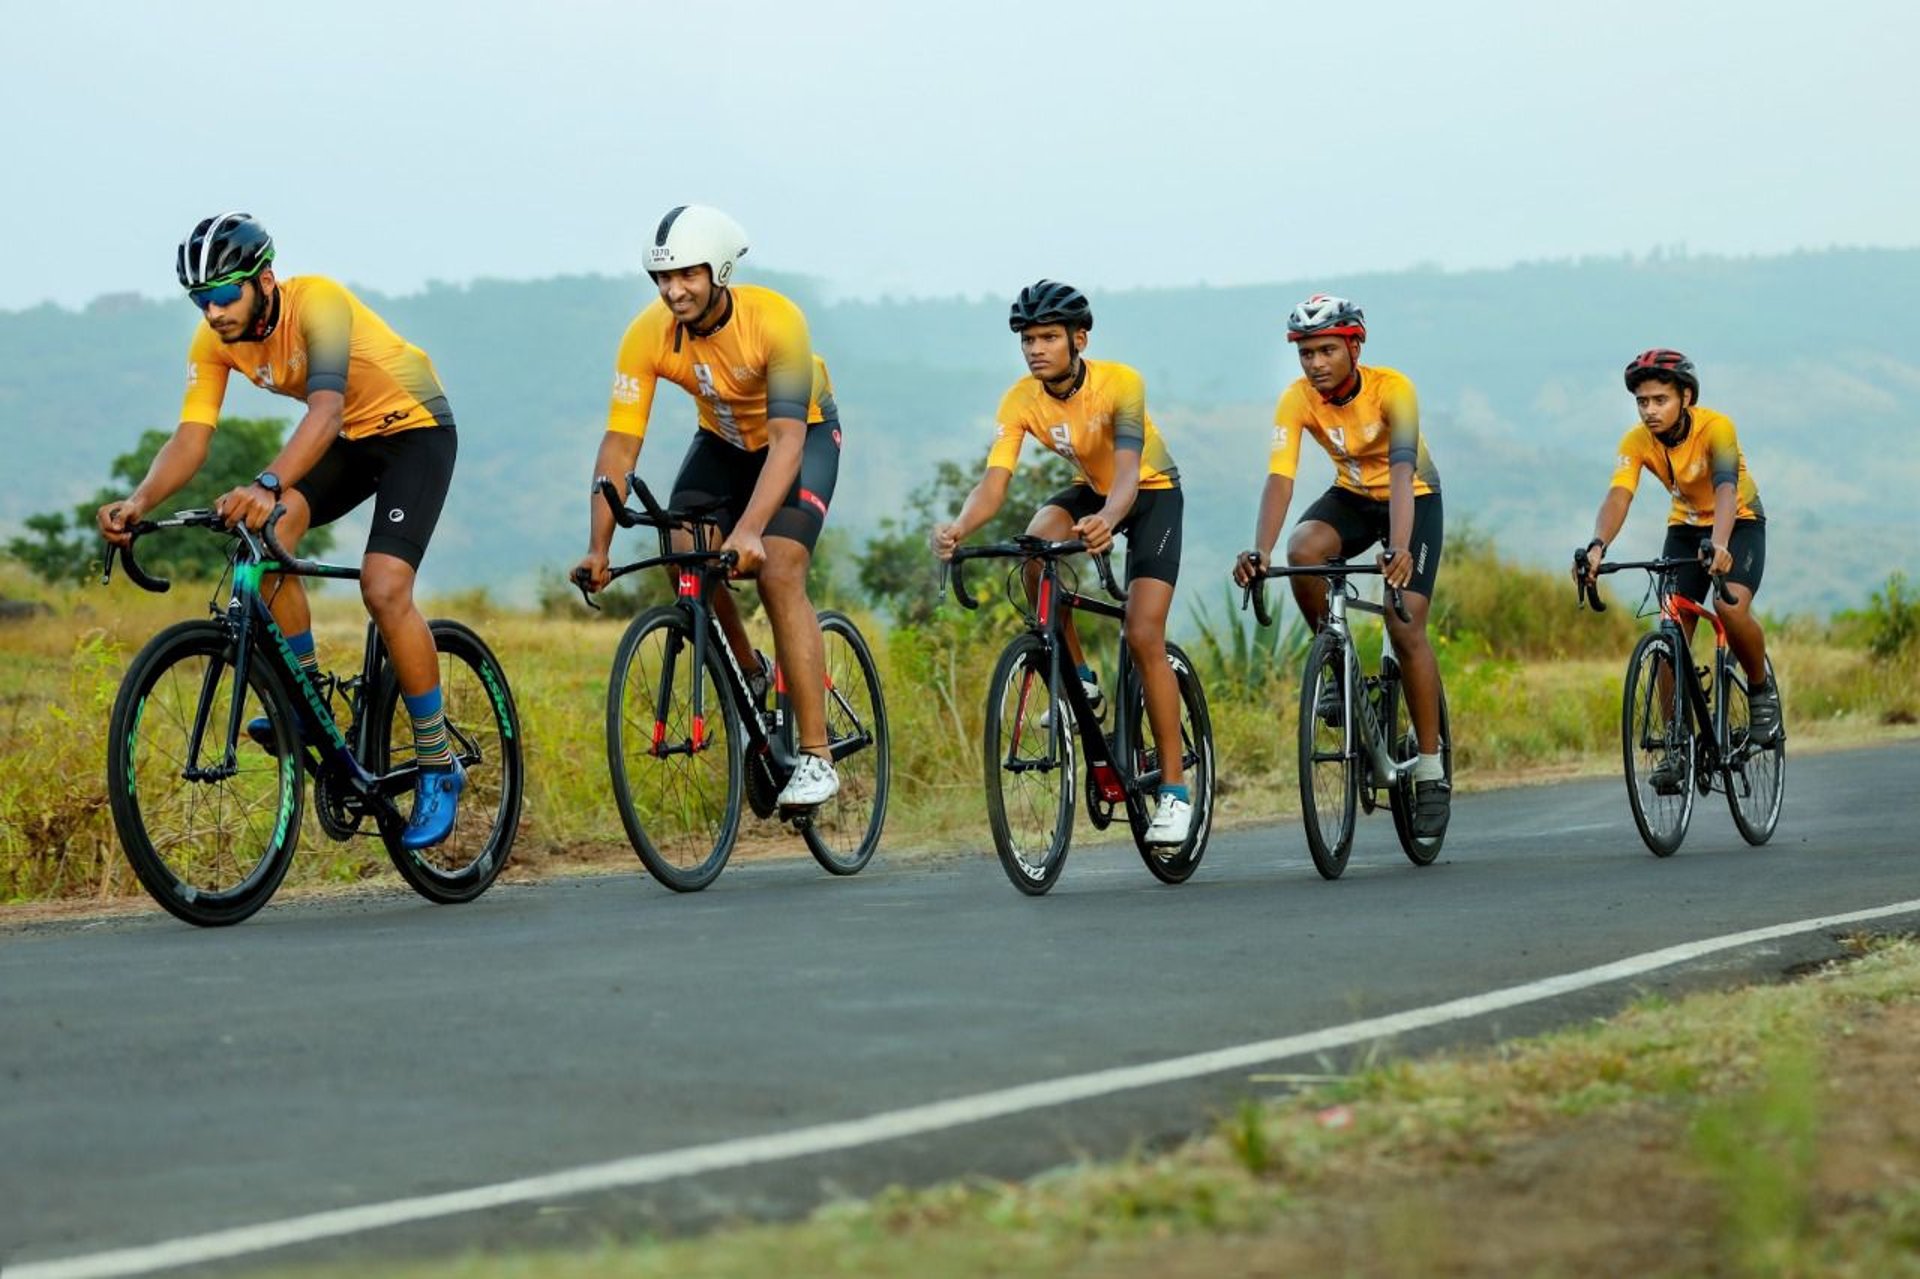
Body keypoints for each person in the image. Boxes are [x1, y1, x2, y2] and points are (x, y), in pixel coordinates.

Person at [96, 212, 465, 849]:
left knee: (382, 587)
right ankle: (307, 696)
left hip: (414, 432)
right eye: (199, 299)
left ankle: (439, 762)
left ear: (264, 279)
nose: (211, 312)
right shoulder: (213, 341)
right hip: (350, 442)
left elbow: (326, 408)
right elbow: (191, 438)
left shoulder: (316, 303)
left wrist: (267, 484)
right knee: (264, 540)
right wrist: (136, 501)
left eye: (222, 294)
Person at [574, 205, 843, 807]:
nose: (673, 290)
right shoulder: (647, 334)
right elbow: (620, 443)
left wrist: (749, 531)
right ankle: (750, 670)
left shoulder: (776, 321)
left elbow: (788, 438)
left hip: (801, 437)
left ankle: (818, 755)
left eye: (687, 275)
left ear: (719, 270)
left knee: (777, 568)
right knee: (682, 551)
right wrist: (600, 546)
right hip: (723, 441)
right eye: (662, 279)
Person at [931, 280, 1193, 845]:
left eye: (1048, 337)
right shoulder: (1021, 399)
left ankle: (1174, 791)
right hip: (1091, 489)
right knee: (1033, 549)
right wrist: (960, 526)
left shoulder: (1121, 383)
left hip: (1150, 493)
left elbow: (1127, 473)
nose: (1035, 348)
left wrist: (1109, 518)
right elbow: (994, 483)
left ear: (1080, 339)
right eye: (1027, 339)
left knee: (1145, 633)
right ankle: (1079, 677)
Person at [1231, 292, 1449, 837]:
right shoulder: (1297, 399)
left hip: (1412, 499)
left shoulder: (1392, 389)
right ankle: (1334, 661)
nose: (1315, 363)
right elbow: (1280, 477)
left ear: (1355, 346)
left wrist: (1398, 547)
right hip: (1351, 496)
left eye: (1327, 350)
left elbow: (1402, 469)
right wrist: (1260, 548)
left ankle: (1429, 767)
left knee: (1405, 624)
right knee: (1302, 550)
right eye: (1306, 354)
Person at [1577, 348, 1777, 781]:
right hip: (1685, 529)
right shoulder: (1637, 441)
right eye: (1642, 402)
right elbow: (1619, 495)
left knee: (1729, 608)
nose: (1649, 411)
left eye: (1659, 400)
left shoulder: (1716, 428)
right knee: (1669, 633)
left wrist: (1720, 544)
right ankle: (1677, 743)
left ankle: (1761, 692)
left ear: (1685, 397)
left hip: (1738, 522)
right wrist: (1597, 547)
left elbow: (1726, 488)